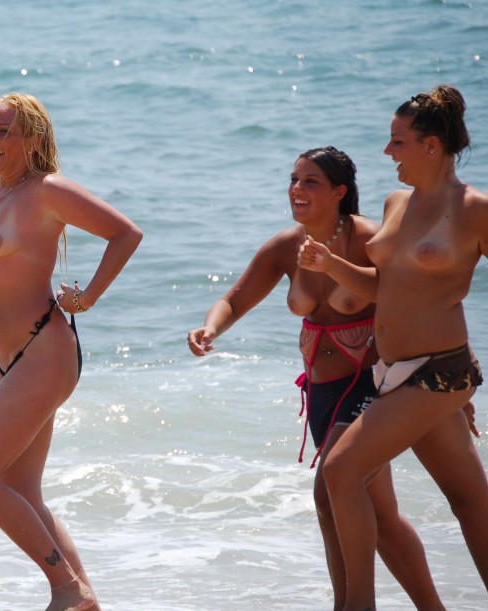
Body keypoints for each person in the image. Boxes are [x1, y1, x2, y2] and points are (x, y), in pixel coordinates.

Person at [187, 147, 443, 610]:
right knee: (373, 514)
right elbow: (235, 298)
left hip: (372, 383)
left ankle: (354, 605)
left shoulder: (369, 238)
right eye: (293, 180)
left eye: (310, 182)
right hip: (323, 393)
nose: (296, 190)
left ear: (339, 192)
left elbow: (403, 296)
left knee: (332, 484)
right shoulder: (287, 246)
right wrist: (210, 327)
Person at [299, 85, 488, 610]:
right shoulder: (397, 203)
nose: (388, 152)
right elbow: (384, 289)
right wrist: (330, 266)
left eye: (398, 141)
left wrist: (465, 378)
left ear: (432, 146)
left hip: (439, 373)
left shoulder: (480, 211)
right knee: (470, 504)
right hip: (393, 372)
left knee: (341, 470)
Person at [0, 92, 142, 611]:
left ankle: (65, 588)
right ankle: (86, 602)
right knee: (21, 488)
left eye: (4, 132)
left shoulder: (48, 192)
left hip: (45, 349)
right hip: (8, 358)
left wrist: (86, 298)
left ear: (31, 138)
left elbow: (125, 233)